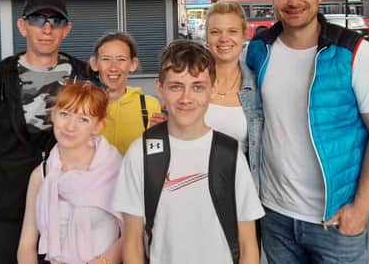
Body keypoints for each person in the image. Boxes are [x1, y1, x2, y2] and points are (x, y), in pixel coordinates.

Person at [245, 0, 369, 263]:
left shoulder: (353, 51)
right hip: (275, 215)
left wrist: (361, 209)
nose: (293, 1)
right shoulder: (259, 49)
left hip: (336, 219)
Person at [0, 0, 93, 264]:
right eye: (38, 19)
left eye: (56, 21)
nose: (47, 29)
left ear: (67, 30)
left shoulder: (83, 77)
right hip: (6, 218)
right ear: (22, 26)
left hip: (68, 217)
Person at [113, 40, 264, 264]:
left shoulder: (229, 154)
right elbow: (133, 241)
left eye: (198, 87)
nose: (186, 98)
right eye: (176, 86)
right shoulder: (140, 154)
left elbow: (248, 245)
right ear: (160, 88)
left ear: (212, 90)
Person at [17, 81, 123, 264]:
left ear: (98, 126)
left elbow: (133, 234)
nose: (70, 126)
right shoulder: (42, 174)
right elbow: (27, 244)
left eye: (83, 119)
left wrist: (104, 261)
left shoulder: (115, 170)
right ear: (54, 115)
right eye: (65, 114)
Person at [204, 0, 263, 172]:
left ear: (244, 35)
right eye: (215, 32)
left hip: (239, 191)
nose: (224, 39)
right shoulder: (190, 83)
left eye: (232, 31)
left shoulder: (258, 87)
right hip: (190, 187)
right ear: (206, 36)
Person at [90, 32, 162, 155]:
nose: (113, 67)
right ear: (95, 64)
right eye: (106, 59)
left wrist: (164, 133)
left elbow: (156, 153)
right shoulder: (82, 105)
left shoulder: (149, 105)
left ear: (133, 64)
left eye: (121, 59)